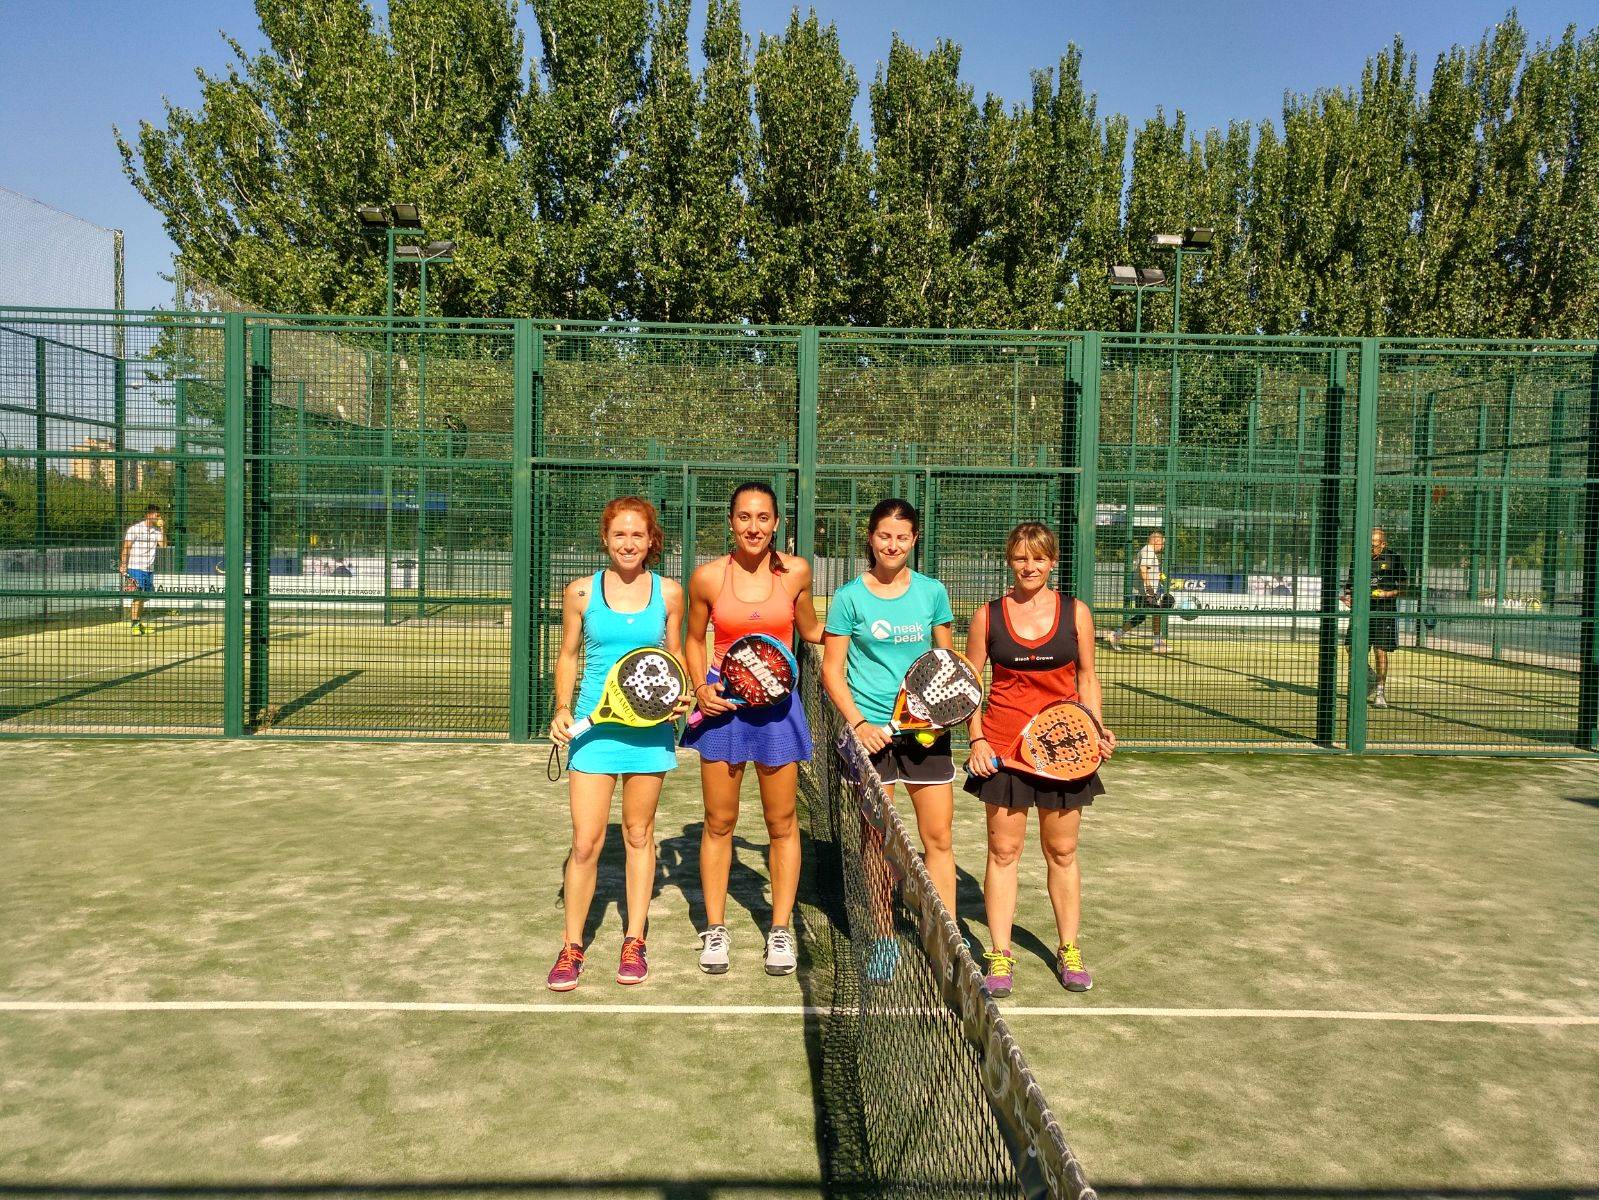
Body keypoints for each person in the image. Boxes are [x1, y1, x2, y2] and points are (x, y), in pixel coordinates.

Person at [546, 497, 691, 991]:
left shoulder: (669, 593)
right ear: (605, 539)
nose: (628, 543)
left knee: (638, 835)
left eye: (638, 535)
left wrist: (681, 696)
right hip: (594, 732)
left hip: (650, 731)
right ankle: (571, 947)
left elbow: (675, 655)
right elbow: (569, 655)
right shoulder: (580, 592)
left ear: (651, 540)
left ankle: (634, 941)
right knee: (585, 842)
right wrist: (562, 708)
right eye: (620, 535)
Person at [965, 522, 1114, 998]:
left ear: (1052, 562)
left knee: (1063, 852)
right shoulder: (987, 616)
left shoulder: (1077, 613)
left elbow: (1087, 677)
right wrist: (976, 740)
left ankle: (1069, 949)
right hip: (1004, 752)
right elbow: (970, 684)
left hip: (1065, 752)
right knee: (1003, 853)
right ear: (1009, 561)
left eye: (1038, 558)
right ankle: (999, 954)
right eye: (1020, 557)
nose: (1029, 566)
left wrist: (1094, 729)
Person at [682, 482, 823, 977]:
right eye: (744, 517)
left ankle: (779, 931)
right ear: (731, 521)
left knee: (781, 822)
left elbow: (812, 630)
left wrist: (863, 625)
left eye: (763, 517)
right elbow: (694, 639)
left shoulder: (796, 572)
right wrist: (701, 687)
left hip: (778, 710)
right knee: (718, 822)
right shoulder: (707, 578)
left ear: (776, 523)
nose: (753, 527)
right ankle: (715, 930)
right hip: (725, 709)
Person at [821, 499, 958, 917]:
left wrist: (937, 716)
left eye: (902, 537)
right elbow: (831, 670)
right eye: (884, 536)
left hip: (925, 735)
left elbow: (947, 664)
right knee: (877, 840)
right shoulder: (848, 597)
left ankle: (945, 937)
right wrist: (860, 724)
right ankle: (881, 933)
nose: (892, 545)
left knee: (938, 839)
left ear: (914, 539)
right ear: (871, 538)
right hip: (871, 735)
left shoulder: (932, 592)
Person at [1342, 526, 1407, 708]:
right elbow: (1350, 586)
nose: (1370, 549)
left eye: (1374, 545)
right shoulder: (1359, 558)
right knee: (1351, 647)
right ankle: (1369, 676)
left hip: (1384, 611)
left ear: (1383, 544)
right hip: (1361, 611)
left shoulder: (1393, 559)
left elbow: (1404, 588)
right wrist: (1348, 598)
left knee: (1380, 651)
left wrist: (1387, 594)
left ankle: (1380, 692)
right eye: (1368, 545)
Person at [1107, 529, 1168, 653]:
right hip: (1146, 591)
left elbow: (1147, 570)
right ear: (1156, 541)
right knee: (1151, 614)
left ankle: (1157, 642)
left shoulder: (1148, 552)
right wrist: (1149, 587)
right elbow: (1143, 569)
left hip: (1147, 591)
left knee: (1147, 615)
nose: (1162, 547)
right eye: (1162, 543)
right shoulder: (1148, 551)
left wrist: (1158, 576)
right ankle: (1117, 635)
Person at [119, 504, 165, 635]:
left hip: (149, 569)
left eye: (159, 515)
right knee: (138, 596)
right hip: (135, 567)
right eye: (156, 515)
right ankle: (134, 625)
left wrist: (162, 528)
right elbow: (126, 547)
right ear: (148, 515)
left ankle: (138, 623)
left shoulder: (156, 531)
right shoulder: (135, 529)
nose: (159, 517)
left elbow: (163, 545)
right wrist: (123, 564)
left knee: (143, 597)